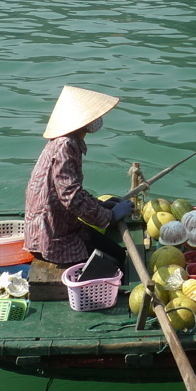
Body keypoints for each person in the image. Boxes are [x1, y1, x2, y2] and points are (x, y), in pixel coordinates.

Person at [24, 85, 132, 268]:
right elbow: (71, 197)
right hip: (52, 236)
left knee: (118, 252)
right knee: (116, 263)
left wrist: (99, 204)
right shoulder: (66, 145)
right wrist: (108, 217)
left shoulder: (65, 141)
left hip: (61, 225)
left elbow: (69, 188)